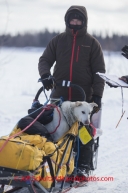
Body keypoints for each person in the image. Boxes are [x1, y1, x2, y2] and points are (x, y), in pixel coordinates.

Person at [38, 5, 106, 176]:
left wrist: (97, 95)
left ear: (84, 22)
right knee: (53, 131)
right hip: (59, 96)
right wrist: (45, 75)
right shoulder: (58, 40)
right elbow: (45, 59)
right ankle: (50, 165)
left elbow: (99, 73)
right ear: (67, 21)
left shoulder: (92, 44)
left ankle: (83, 167)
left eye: (78, 19)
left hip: (82, 97)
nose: (75, 22)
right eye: (72, 19)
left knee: (84, 133)